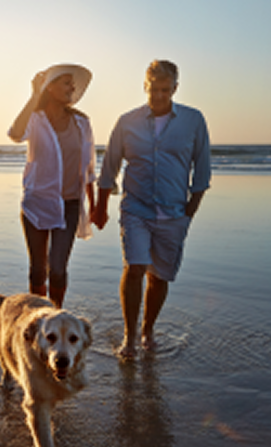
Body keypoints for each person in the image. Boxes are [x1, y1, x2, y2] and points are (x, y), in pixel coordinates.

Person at [91, 60, 211, 358]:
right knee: (134, 268)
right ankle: (129, 338)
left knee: (158, 277)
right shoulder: (127, 121)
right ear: (145, 86)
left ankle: (148, 330)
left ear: (175, 88)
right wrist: (101, 207)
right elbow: (109, 167)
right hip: (136, 209)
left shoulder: (193, 120)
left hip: (174, 213)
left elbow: (203, 169)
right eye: (153, 89)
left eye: (165, 90)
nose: (158, 95)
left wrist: (188, 213)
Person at [8, 64, 96, 308]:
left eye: (72, 83)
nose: (72, 87)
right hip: (38, 202)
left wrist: (96, 205)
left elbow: (88, 168)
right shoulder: (35, 120)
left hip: (69, 204)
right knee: (38, 268)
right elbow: (15, 134)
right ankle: (37, 318)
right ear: (51, 87)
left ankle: (56, 316)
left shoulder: (82, 122)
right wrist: (34, 96)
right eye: (66, 82)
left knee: (57, 268)